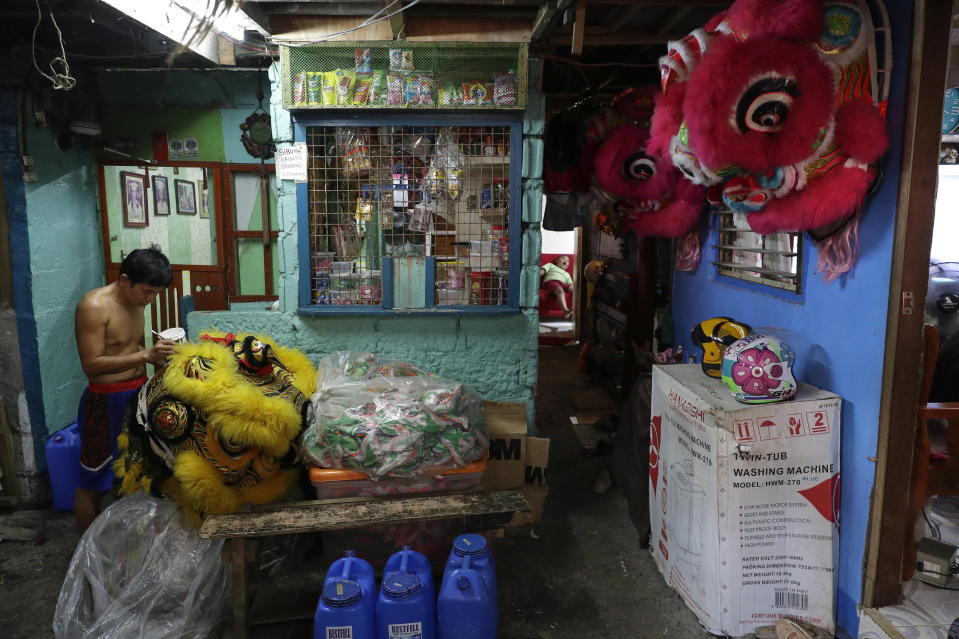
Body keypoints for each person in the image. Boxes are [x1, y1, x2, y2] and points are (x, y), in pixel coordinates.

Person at [73, 246, 177, 533]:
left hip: (137, 395)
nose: (150, 299)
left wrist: (160, 361)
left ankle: (122, 545)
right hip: (105, 402)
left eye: (155, 293)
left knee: (135, 472)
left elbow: (133, 347)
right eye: (146, 291)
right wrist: (146, 356)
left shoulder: (137, 302)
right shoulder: (94, 306)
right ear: (123, 281)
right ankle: (84, 556)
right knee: (93, 477)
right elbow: (91, 365)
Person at [540, 254, 574, 318]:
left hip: (563, 284)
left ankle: (577, 308)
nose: (566, 261)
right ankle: (565, 310)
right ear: (556, 261)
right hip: (552, 282)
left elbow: (570, 284)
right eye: (563, 259)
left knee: (575, 289)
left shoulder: (567, 274)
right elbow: (542, 271)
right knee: (560, 290)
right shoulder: (551, 265)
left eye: (568, 261)